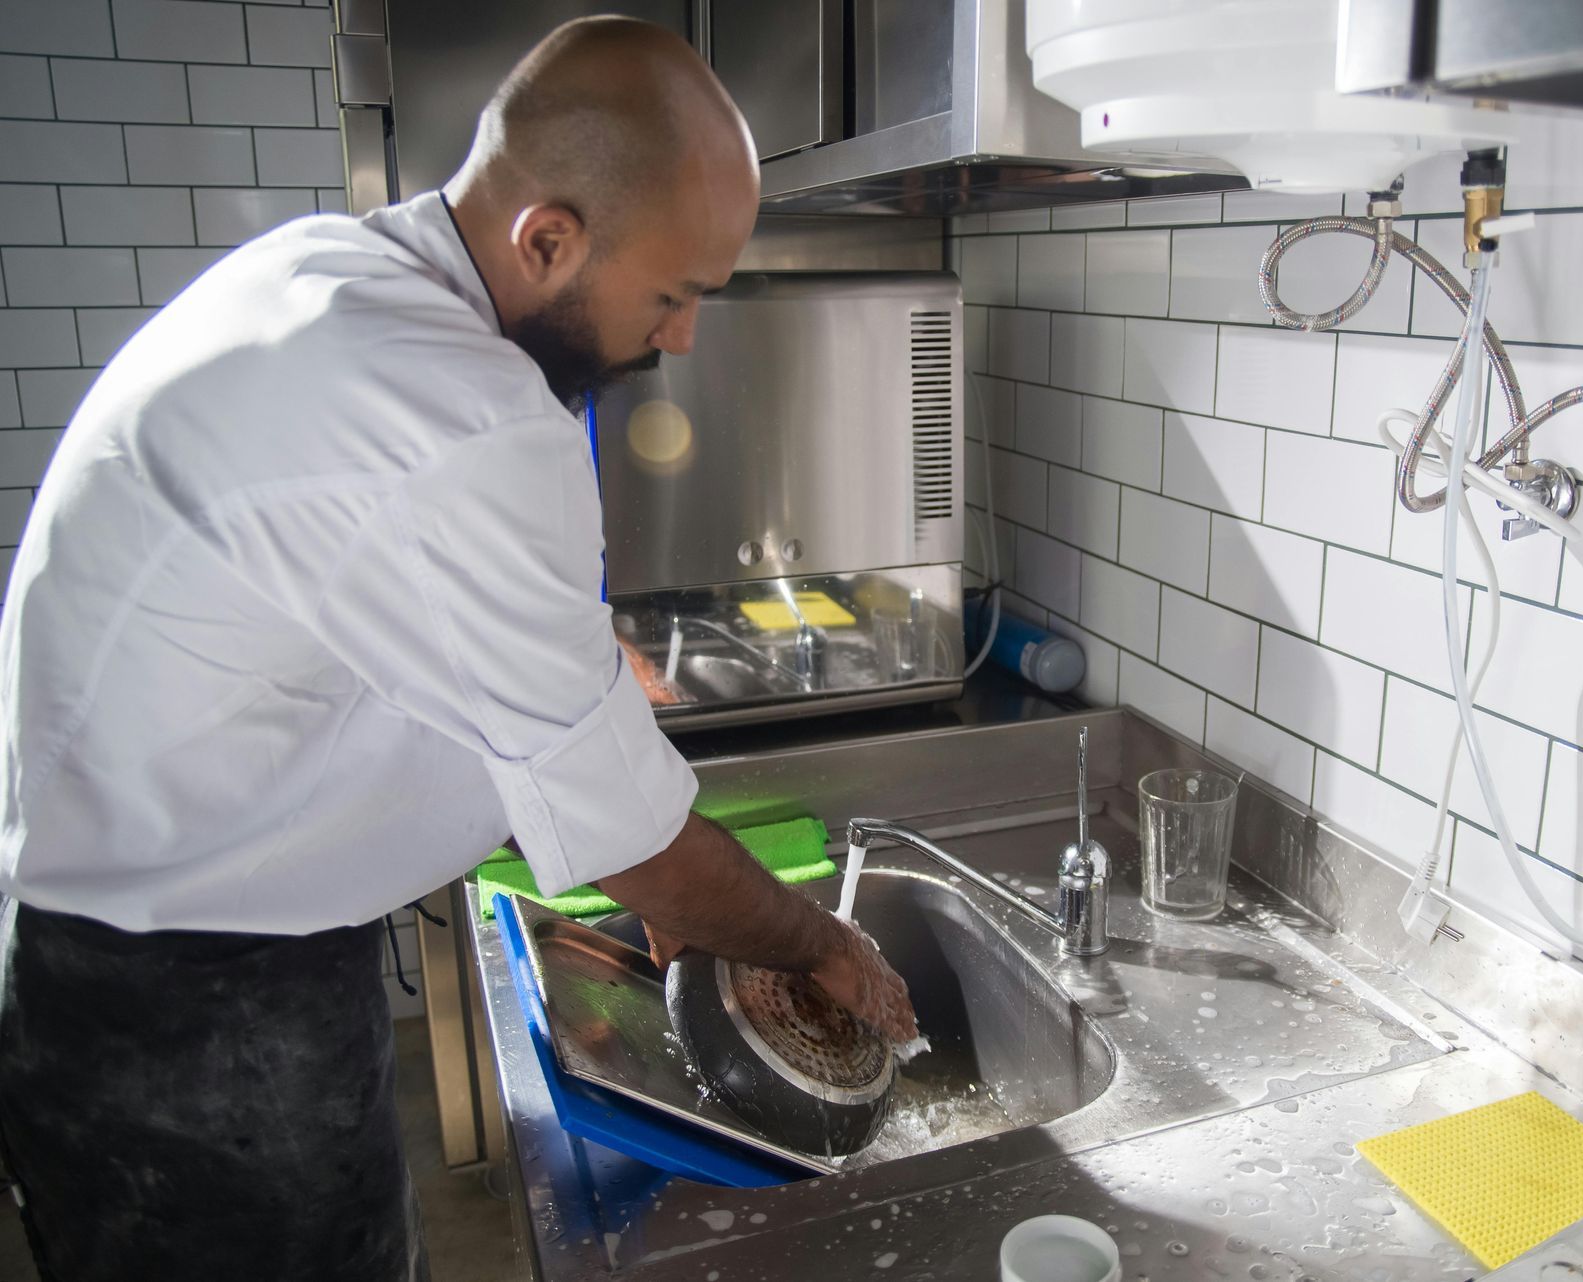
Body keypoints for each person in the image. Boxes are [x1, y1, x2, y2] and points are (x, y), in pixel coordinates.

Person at [0, 18, 916, 1281]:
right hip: (194, 1018)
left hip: (125, 962)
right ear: (546, 239)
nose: (682, 338)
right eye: (673, 294)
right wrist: (811, 943)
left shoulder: (329, 273)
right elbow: (629, 836)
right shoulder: (462, 412)